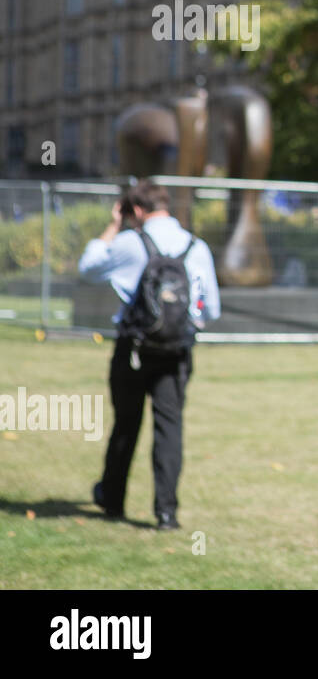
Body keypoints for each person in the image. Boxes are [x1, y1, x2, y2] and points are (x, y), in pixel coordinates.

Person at [77, 180, 221, 529]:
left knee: (126, 424)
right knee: (169, 428)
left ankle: (112, 500)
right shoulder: (195, 246)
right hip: (176, 351)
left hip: (134, 348)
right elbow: (210, 308)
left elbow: (88, 267)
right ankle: (167, 513)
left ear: (137, 210)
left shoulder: (128, 242)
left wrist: (113, 225)